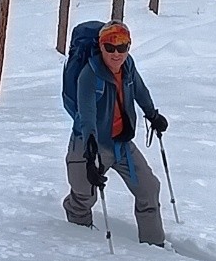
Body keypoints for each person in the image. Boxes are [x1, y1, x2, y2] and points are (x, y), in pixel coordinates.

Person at [63, 21, 170, 246]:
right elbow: (87, 114)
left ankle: (155, 249)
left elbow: (140, 91)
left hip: (121, 143)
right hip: (89, 140)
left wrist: (152, 115)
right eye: (110, 47)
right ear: (101, 47)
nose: (116, 54)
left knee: (149, 188)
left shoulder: (128, 65)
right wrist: (90, 155)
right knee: (84, 195)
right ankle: (78, 240)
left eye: (122, 47)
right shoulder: (89, 75)